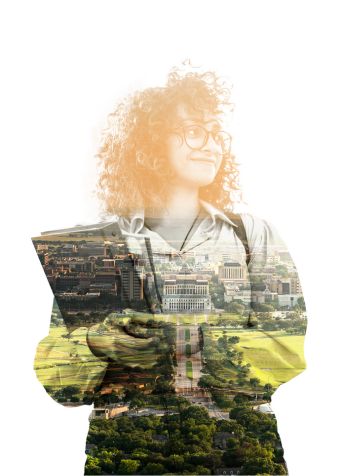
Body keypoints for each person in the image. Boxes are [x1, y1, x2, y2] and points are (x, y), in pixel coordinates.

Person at [32, 67, 307, 475]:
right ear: (149, 144)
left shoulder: (253, 236)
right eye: (194, 131)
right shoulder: (98, 247)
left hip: (240, 455)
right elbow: (59, 380)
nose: (211, 145)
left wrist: (184, 341)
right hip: (126, 458)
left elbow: (288, 351)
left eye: (217, 134)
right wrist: (97, 342)